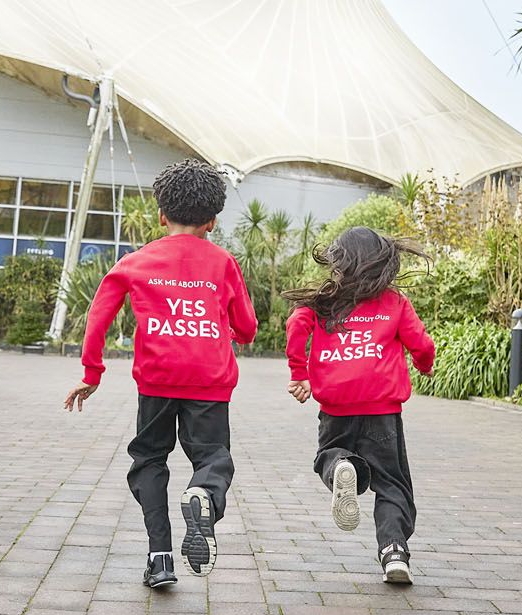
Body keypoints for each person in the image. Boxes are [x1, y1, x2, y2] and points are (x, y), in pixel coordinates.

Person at [63, 159, 257, 588]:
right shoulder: (223, 262)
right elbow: (246, 327)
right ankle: (204, 494)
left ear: (161, 215)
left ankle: (160, 557)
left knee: (149, 459)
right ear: (212, 220)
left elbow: (98, 315)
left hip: (156, 380)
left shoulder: (138, 261)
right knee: (212, 458)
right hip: (209, 381)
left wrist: (91, 373)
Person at [285, 227, 436, 584]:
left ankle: (341, 465)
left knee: (328, 454)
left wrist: (299, 371)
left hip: (336, 406)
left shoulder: (323, 302)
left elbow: (295, 324)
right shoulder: (395, 303)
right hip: (382, 411)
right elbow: (423, 345)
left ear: (339, 262)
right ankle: (394, 551)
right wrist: (425, 366)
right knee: (392, 485)